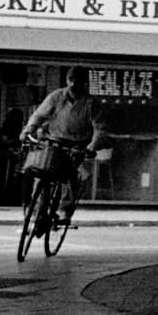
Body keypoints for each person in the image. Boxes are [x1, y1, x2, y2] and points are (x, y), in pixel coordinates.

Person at [18, 67, 109, 211]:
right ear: (67, 80)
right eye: (70, 80)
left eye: (77, 81)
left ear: (84, 83)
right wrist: (28, 130)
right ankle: (35, 209)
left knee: (70, 175)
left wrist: (92, 146)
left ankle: (65, 209)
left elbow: (100, 128)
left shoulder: (91, 103)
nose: (73, 84)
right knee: (39, 171)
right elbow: (39, 116)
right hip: (53, 141)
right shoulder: (56, 97)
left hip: (77, 145)